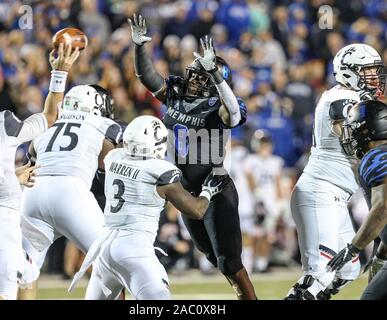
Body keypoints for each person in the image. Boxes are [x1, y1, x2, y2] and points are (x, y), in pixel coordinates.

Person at [128, 14, 256, 300]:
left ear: (215, 81)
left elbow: (233, 115)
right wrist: (139, 48)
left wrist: (218, 78)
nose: (194, 80)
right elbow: (147, 78)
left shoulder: (219, 104)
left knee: (231, 264)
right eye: (194, 74)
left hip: (215, 187)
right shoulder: (177, 94)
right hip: (185, 188)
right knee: (213, 258)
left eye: (202, 76)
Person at [69, 115, 227, 299]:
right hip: (134, 250)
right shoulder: (160, 171)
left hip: (104, 250)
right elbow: (197, 210)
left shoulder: (113, 158)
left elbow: (112, 147)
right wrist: (208, 191)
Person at [0, 43, 79, 300]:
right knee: (2, 296)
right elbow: (50, 116)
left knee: (29, 275)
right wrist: (60, 72)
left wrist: (14, 176)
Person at [285, 43, 386, 300]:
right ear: (348, 72)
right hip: (320, 192)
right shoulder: (343, 98)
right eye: (367, 71)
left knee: (348, 270)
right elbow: (345, 121)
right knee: (317, 275)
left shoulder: (350, 96)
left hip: (335, 196)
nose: (374, 76)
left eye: (375, 70)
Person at [19, 84, 122, 299]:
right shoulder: (103, 124)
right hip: (70, 191)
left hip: (33, 193)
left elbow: (30, 160)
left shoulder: (47, 124)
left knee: (26, 274)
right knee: (111, 263)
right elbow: (108, 166)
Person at [326, 100, 387, 299]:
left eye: (354, 130)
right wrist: (380, 256)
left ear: (367, 130)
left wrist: (354, 248)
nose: (350, 137)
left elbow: (383, 208)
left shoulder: (376, 157)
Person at [244, 130, 284, 273]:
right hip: (255, 201)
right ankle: (249, 262)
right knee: (253, 233)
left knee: (268, 234)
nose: (265, 146)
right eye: (262, 143)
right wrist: (257, 196)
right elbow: (249, 179)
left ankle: (262, 262)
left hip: (270, 202)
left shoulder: (275, 161)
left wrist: (280, 201)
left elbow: (278, 182)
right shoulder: (251, 160)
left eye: (266, 143)